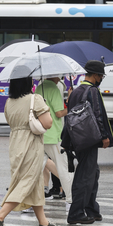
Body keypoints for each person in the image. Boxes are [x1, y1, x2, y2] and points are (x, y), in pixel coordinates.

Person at [0, 77, 62, 226]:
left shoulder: (9, 102)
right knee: (27, 180)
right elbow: (48, 123)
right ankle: (0, 216)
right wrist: (44, 107)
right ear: (27, 83)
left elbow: (10, 121)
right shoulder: (35, 99)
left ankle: (43, 222)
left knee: (34, 182)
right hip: (31, 144)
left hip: (16, 143)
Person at [65, 60, 113, 225]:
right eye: (101, 75)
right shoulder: (92, 91)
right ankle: (76, 213)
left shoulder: (76, 91)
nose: (101, 79)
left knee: (93, 173)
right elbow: (98, 114)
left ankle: (92, 209)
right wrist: (104, 136)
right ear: (95, 75)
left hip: (78, 139)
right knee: (85, 176)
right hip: (90, 138)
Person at [36, 77, 74, 213]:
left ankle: (28, 203)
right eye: (60, 76)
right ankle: (70, 201)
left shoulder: (39, 87)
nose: (61, 78)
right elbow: (59, 113)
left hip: (40, 134)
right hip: (54, 135)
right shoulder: (53, 89)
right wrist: (70, 102)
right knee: (63, 168)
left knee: (35, 171)